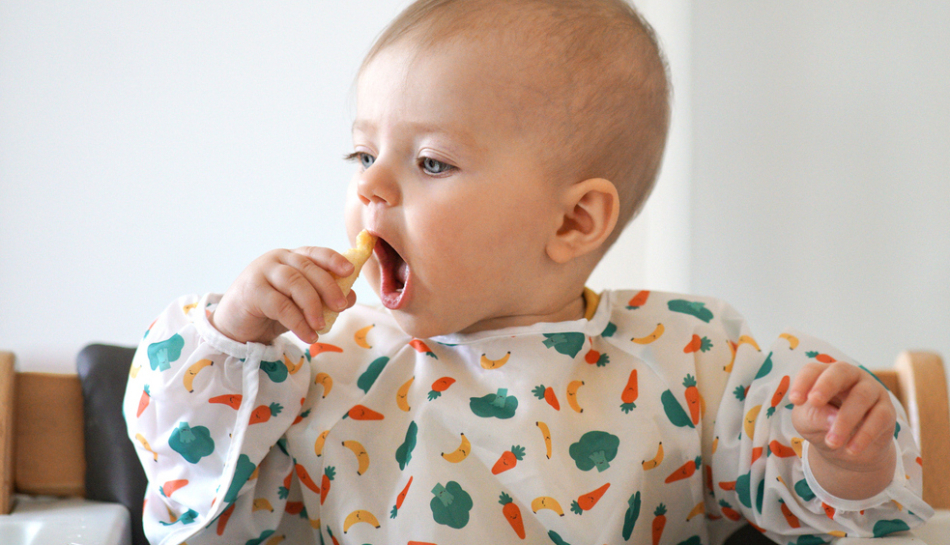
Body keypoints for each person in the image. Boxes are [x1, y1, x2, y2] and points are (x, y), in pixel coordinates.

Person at [124, 1, 933, 543]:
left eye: (431, 161)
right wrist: (231, 336)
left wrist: (844, 460)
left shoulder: (689, 359)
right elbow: (198, 506)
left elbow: (804, 501)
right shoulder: (325, 369)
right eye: (364, 152)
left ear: (574, 220)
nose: (370, 186)